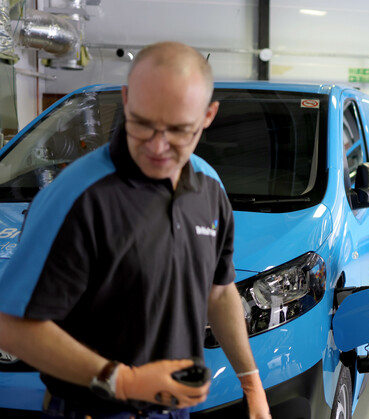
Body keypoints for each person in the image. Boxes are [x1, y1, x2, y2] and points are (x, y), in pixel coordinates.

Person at [0, 42, 270, 418]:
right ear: (126, 100)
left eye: (179, 130)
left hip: (174, 408)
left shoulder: (209, 188)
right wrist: (122, 381)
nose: (158, 146)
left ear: (208, 115)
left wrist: (252, 385)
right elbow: (11, 326)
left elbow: (220, 291)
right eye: (143, 124)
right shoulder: (78, 197)